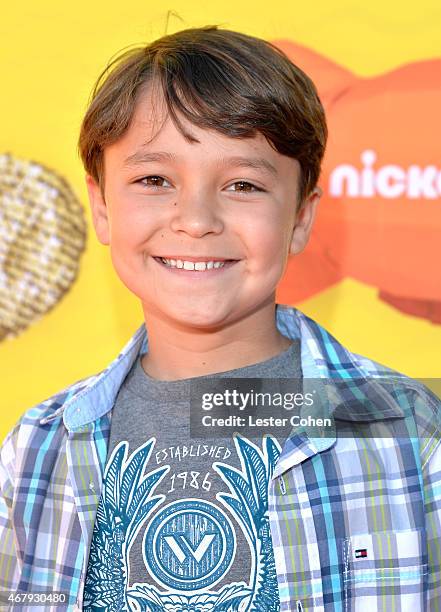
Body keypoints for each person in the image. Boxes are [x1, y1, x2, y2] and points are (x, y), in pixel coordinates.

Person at [0, 26, 440, 612]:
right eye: (155, 180)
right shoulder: (38, 449)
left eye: (243, 184)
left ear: (302, 218)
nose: (196, 218)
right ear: (102, 206)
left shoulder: (411, 436)